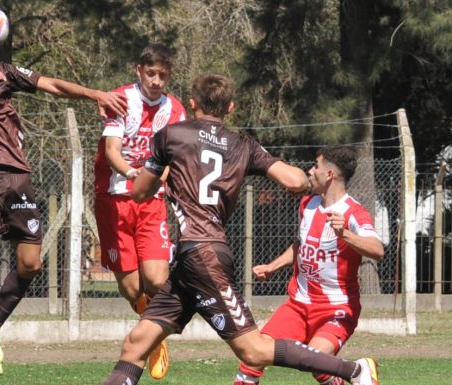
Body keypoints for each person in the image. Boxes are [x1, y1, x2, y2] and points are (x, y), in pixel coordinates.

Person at [100, 74, 379, 385]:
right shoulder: (243, 145)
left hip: (202, 256)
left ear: (192, 105)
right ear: (230, 108)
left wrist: (164, 171)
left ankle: (354, 371)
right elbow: (296, 181)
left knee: (253, 351)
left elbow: (139, 192)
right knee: (135, 344)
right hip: (192, 262)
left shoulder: (171, 136)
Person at [0, 29, 126, 375]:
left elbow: (52, 85)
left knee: (31, 264)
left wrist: (94, 93)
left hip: (18, 176)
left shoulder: (5, 73)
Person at [233, 145, 385, 385]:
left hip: (336, 309)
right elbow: (301, 246)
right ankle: (357, 372)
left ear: (329, 175)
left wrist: (344, 234)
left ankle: (358, 370)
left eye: (316, 166)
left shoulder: (353, 212)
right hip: (298, 305)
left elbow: (377, 249)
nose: (310, 171)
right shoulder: (308, 204)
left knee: (319, 362)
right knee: (253, 355)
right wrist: (273, 266)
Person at [93, 43, 186, 380]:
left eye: (163, 75)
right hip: (113, 200)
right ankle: (153, 333)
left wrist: (153, 180)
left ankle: (154, 336)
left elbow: (172, 159)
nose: (156, 80)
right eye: (151, 73)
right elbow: (112, 150)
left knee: (158, 279)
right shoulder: (121, 99)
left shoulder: (175, 111)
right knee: (133, 290)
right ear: (139, 71)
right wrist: (132, 174)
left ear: (169, 76)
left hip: (150, 202)